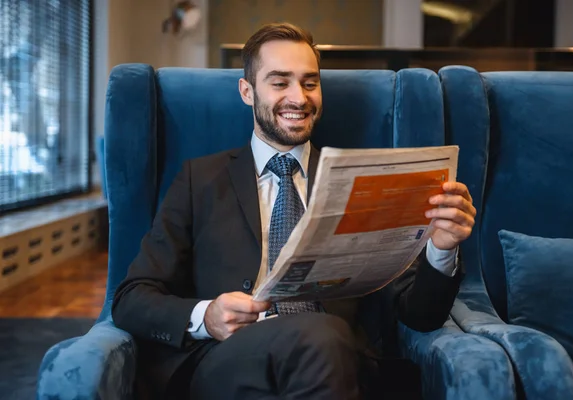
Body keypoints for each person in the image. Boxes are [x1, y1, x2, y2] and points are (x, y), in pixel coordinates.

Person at [112, 22, 477, 400]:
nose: (299, 98)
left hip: (340, 362)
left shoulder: (362, 182)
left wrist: (442, 248)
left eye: (309, 82)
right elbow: (132, 298)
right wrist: (206, 317)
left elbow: (420, 314)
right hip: (228, 360)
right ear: (247, 91)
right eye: (280, 82)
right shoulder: (198, 180)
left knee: (323, 335)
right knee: (318, 332)